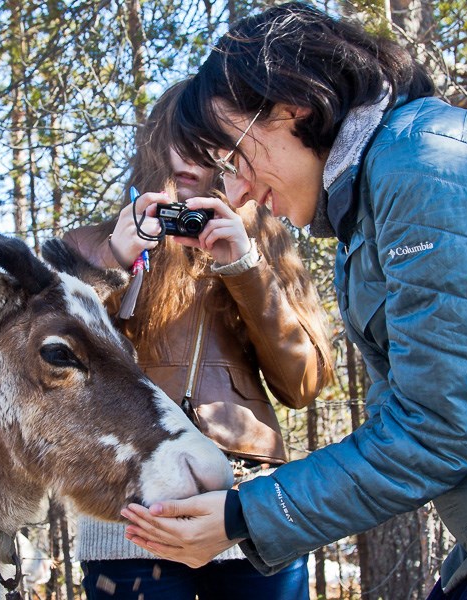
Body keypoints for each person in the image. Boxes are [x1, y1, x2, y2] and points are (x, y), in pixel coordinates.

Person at [120, 3, 467, 599]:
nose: (239, 192)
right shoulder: (375, 194)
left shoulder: (425, 170)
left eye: (233, 158)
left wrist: (241, 516)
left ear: (293, 107)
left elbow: (435, 430)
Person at [62, 80, 334, 599]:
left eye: (211, 144)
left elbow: (303, 385)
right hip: (133, 499)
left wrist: (244, 266)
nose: (192, 156)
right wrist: (113, 263)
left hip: (249, 503)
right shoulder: (89, 245)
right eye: (179, 137)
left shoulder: (265, 243)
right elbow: (55, 362)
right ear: (154, 141)